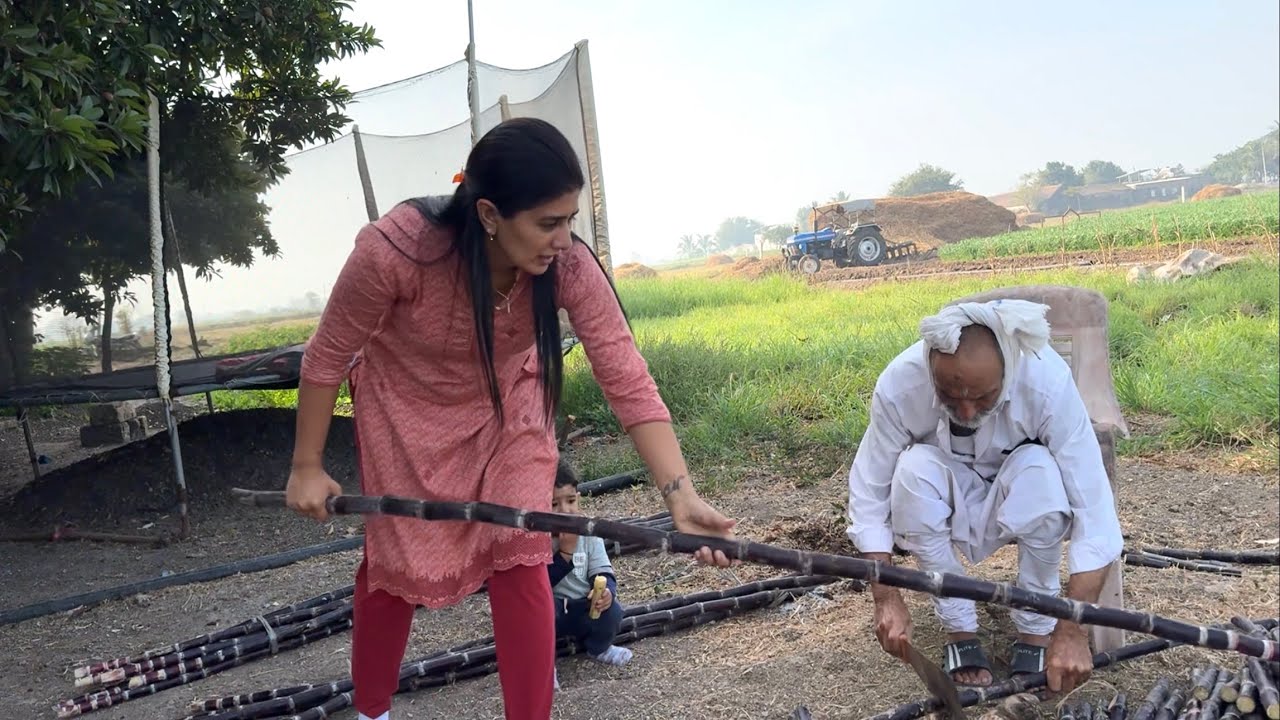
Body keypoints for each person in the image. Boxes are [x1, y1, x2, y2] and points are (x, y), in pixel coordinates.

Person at [285, 117, 737, 720]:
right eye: (548, 223)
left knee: (522, 549)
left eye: (571, 220)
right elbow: (329, 353)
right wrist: (307, 465)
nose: (563, 239)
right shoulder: (397, 250)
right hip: (406, 408)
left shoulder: (568, 266)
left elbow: (624, 373)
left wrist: (680, 495)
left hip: (511, 407)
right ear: (491, 214)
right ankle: (373, 711)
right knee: (395, 564)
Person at [844, 298, 1122, 695]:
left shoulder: (1046, 381)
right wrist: (885, 596)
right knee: (911, 471)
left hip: (1018, 488)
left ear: (1007, 371)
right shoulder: (900, 383)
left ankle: (1038, 629)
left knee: (1041, 471)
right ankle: (958, 627)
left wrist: (1073, 628)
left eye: (983, 397)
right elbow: (869, 489)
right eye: (950, 396)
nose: (967, 411)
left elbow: (1094, 510)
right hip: (946, 490)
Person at [548, 458, 631, 676]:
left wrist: (605, 592)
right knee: (539, 614)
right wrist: (565, 552)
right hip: (552, 610)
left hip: (583, 606)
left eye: (570, 501)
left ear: (579, 500)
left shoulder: (588, 533)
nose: (565, 510)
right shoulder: (539, 540)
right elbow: (541, 583)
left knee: (613, 612)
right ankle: (545, 666)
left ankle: (599, 648)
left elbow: (602, 571)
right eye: (554, 504)